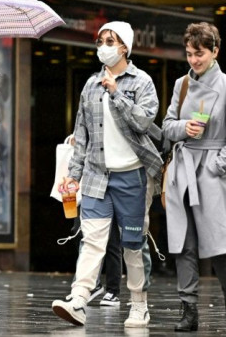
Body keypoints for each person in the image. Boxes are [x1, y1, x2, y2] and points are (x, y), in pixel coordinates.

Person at [52, 21, 162, 328]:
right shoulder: (90, 85)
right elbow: (81, 134)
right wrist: (73, 174)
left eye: (110, 41)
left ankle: (139, 304)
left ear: (124, 47)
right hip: (97, 176)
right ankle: (78, 299)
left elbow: (143, 121)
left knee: (132, 245)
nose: (103, 46)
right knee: (92, 241)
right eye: (101, 40)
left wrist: (116, 94)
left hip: (132, 177)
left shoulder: (141, 82)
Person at [162, 22, 226, 331]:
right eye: (189, 54)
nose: (194, 60)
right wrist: (184, 128)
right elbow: (167, 125)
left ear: (214, 51)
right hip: (183, 169)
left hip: (212, 171)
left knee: (219, 246)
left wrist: (216, 167)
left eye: (199, 54)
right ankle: (189, 310)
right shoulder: (181, 84)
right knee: (184, 244)